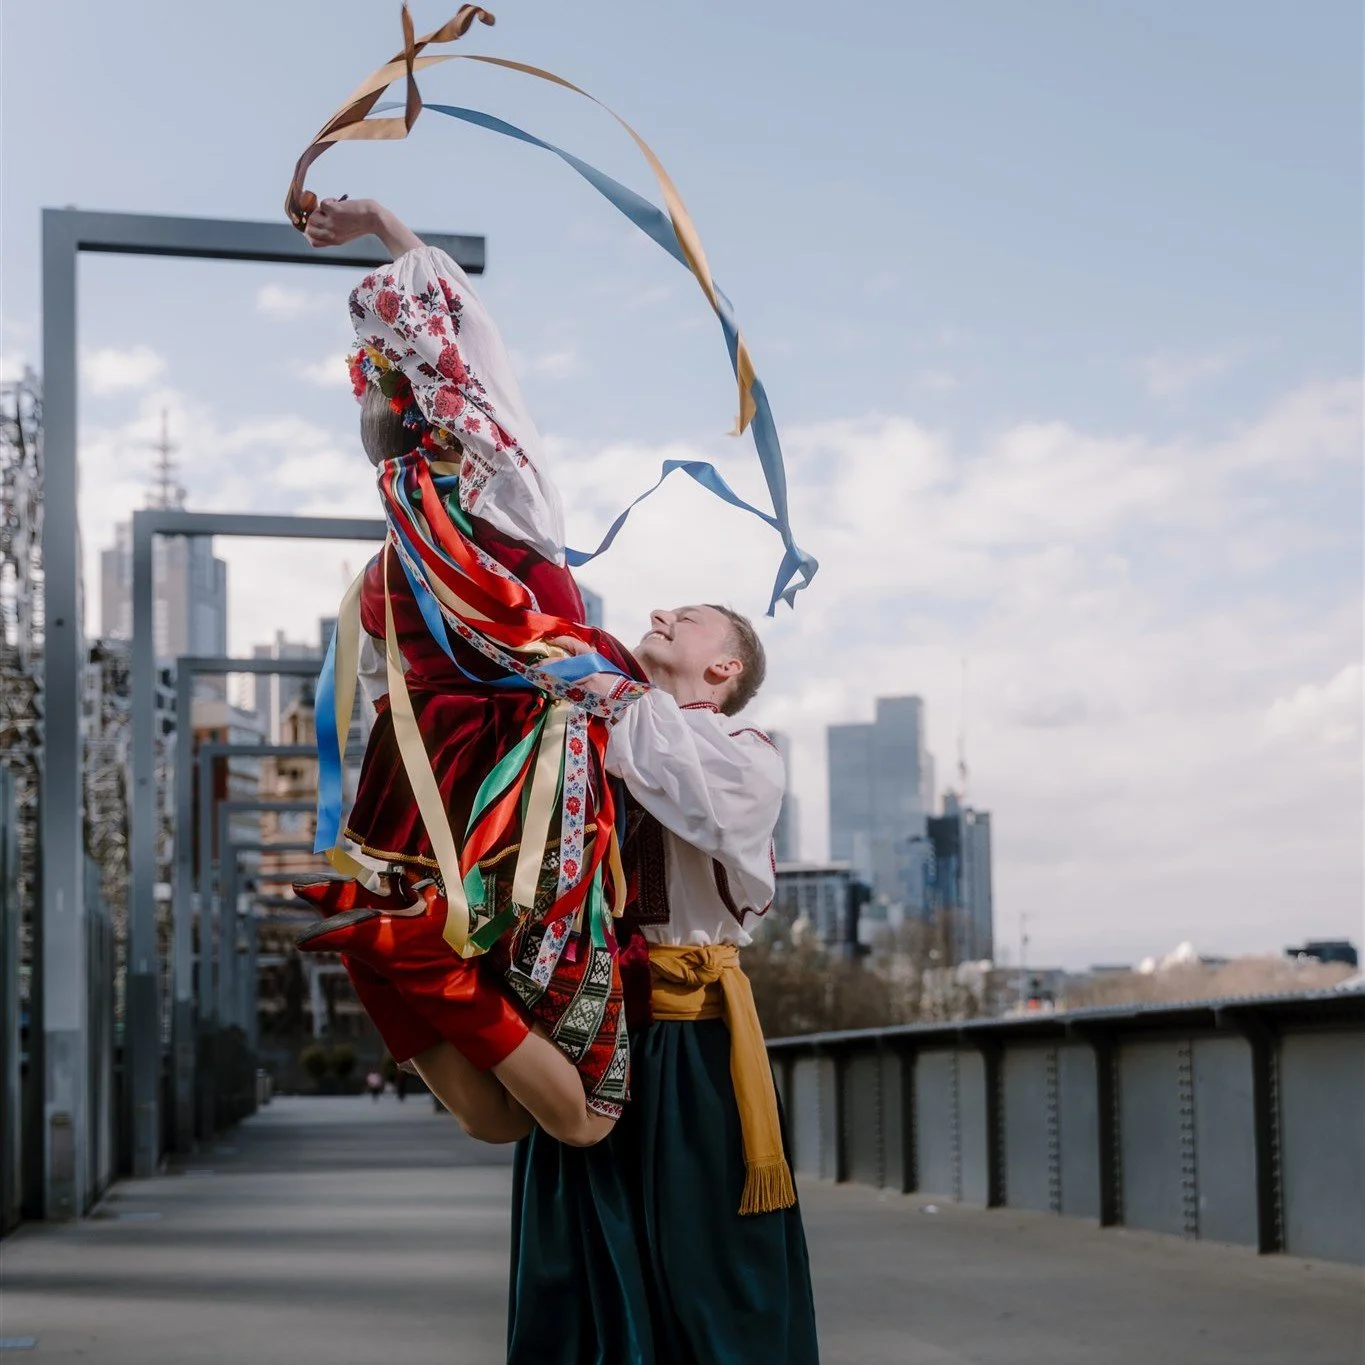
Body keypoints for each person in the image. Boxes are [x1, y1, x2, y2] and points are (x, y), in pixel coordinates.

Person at [293, 196, 647, 1150]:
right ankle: (411, 959)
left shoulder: (389, 564)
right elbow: (465, 336)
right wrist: (385, 225)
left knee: (507, 1121)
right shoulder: (507, 514)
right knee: (587, 1106)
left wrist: (377, 230)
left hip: (413, 805)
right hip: (517, 804)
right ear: (460, 415)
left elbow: (381, 701)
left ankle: (397, 954)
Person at [506, 606, 821, 1365]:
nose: (660, 614)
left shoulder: (746, 754)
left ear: (726, 668)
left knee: (706, 1268)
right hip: (580, 1028)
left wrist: (589, 680)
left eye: (690, 618)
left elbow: (675, 766)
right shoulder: (583, 729)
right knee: (574, 1267)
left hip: (686, 1043)